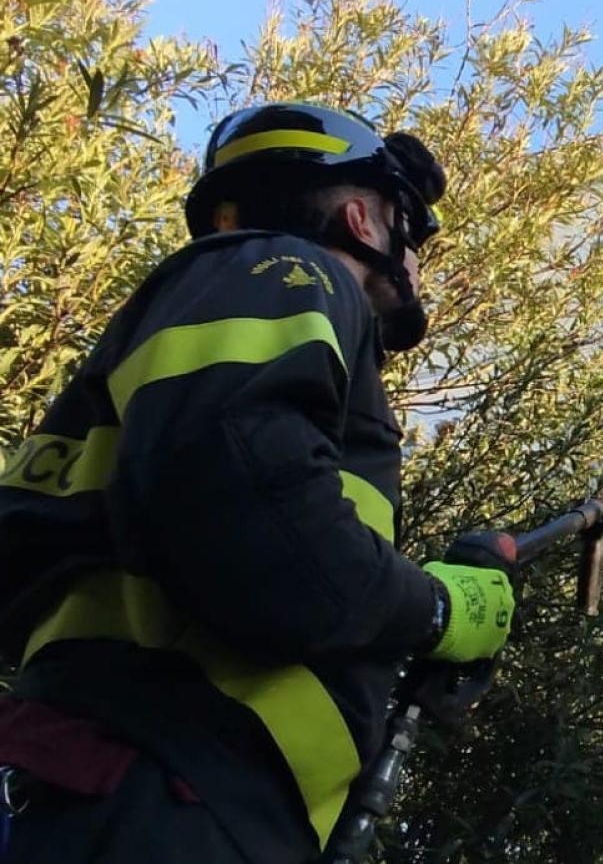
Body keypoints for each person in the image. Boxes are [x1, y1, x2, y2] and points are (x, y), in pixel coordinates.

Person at [0, 102, 517, 863]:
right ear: (364, 219)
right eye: (414, 229)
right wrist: (438, 607)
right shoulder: (285, 268)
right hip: (167, 793)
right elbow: (251, 513)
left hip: (162, 793)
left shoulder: (236, 303)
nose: (417, 263)